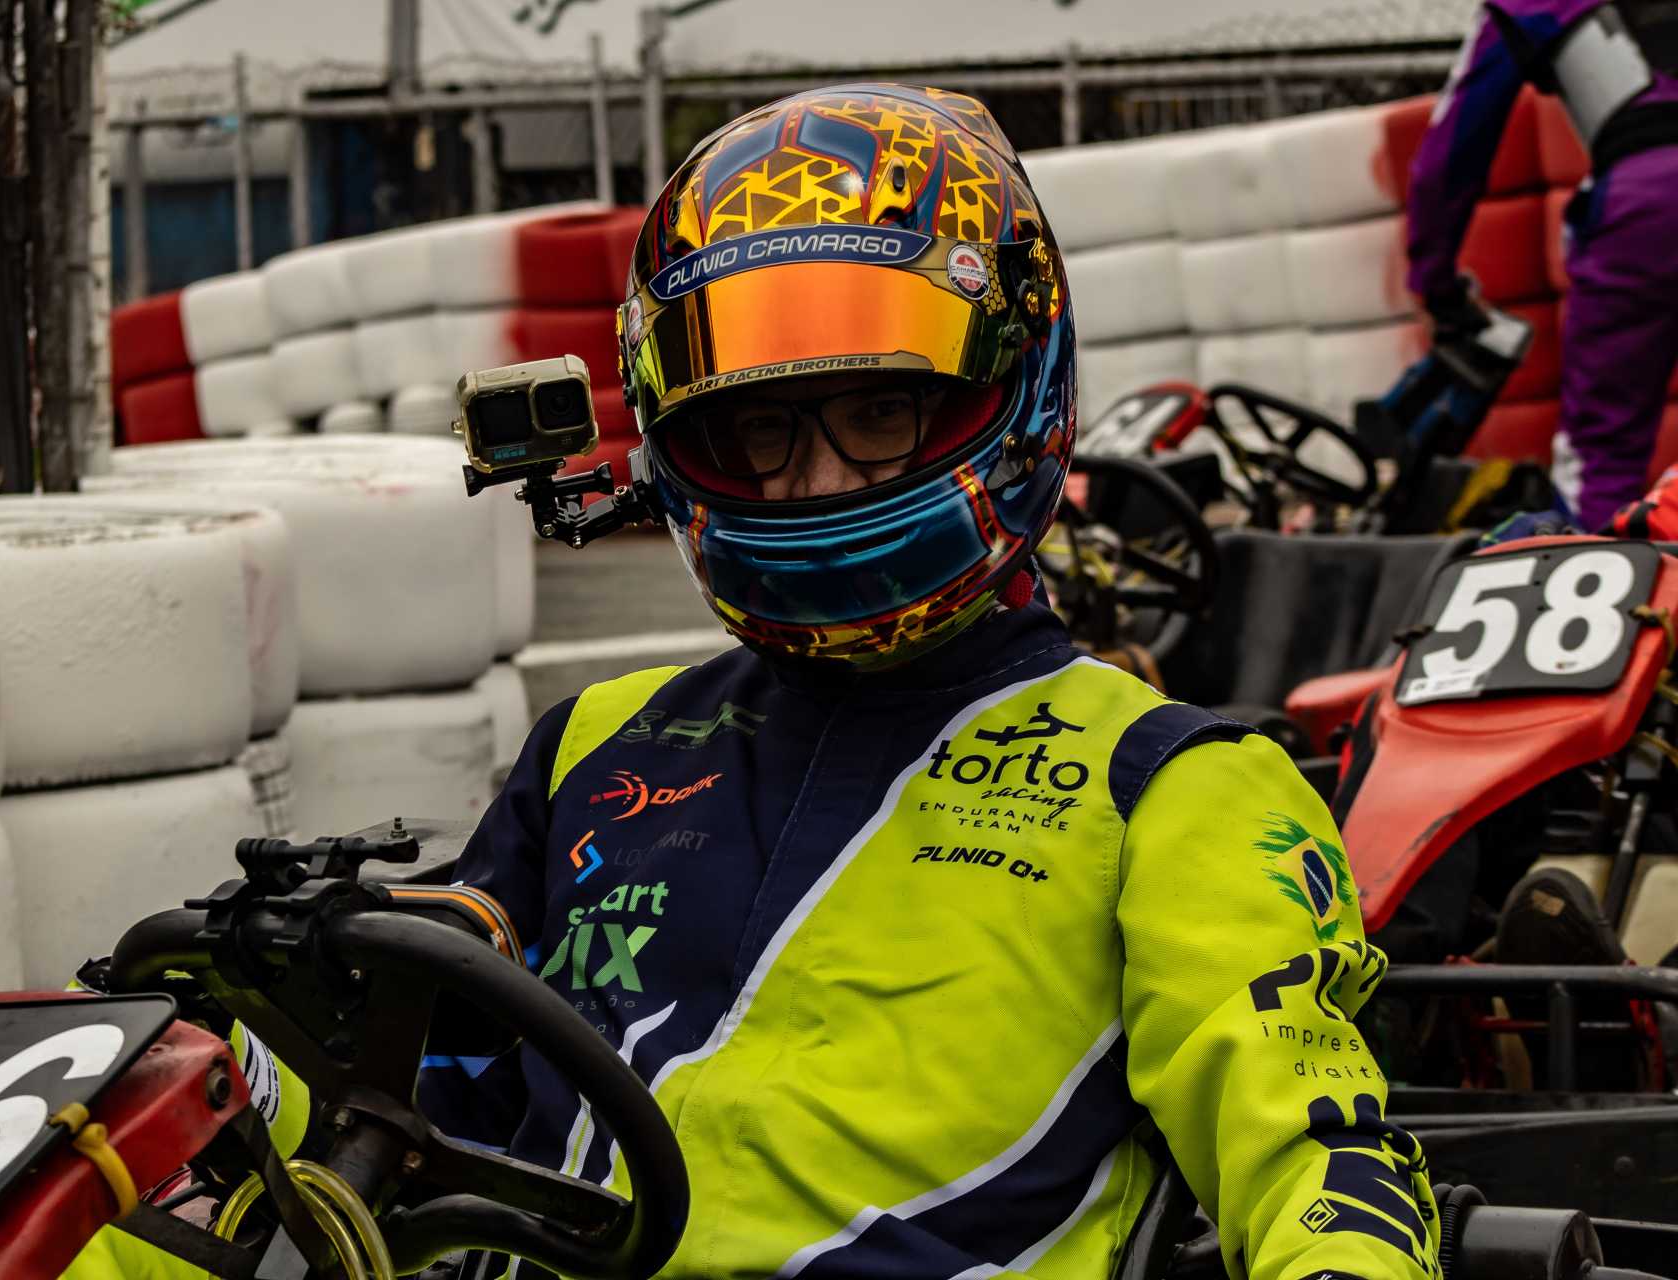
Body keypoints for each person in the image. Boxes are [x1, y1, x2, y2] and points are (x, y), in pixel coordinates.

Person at [418, 86, 1441, 1280]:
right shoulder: (595, 744)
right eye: (760, 430)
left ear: (1003, 387)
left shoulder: (1169, 785)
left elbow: (1316, 1155)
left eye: (878, 412)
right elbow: (395, 1088)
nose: (813, 484)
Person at [1406, 1, 1678, 532]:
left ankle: (1599, 574)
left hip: (1643, 202)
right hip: (1645, 196)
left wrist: (1434, 286)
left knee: (1602, 450)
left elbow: (1449, 156)